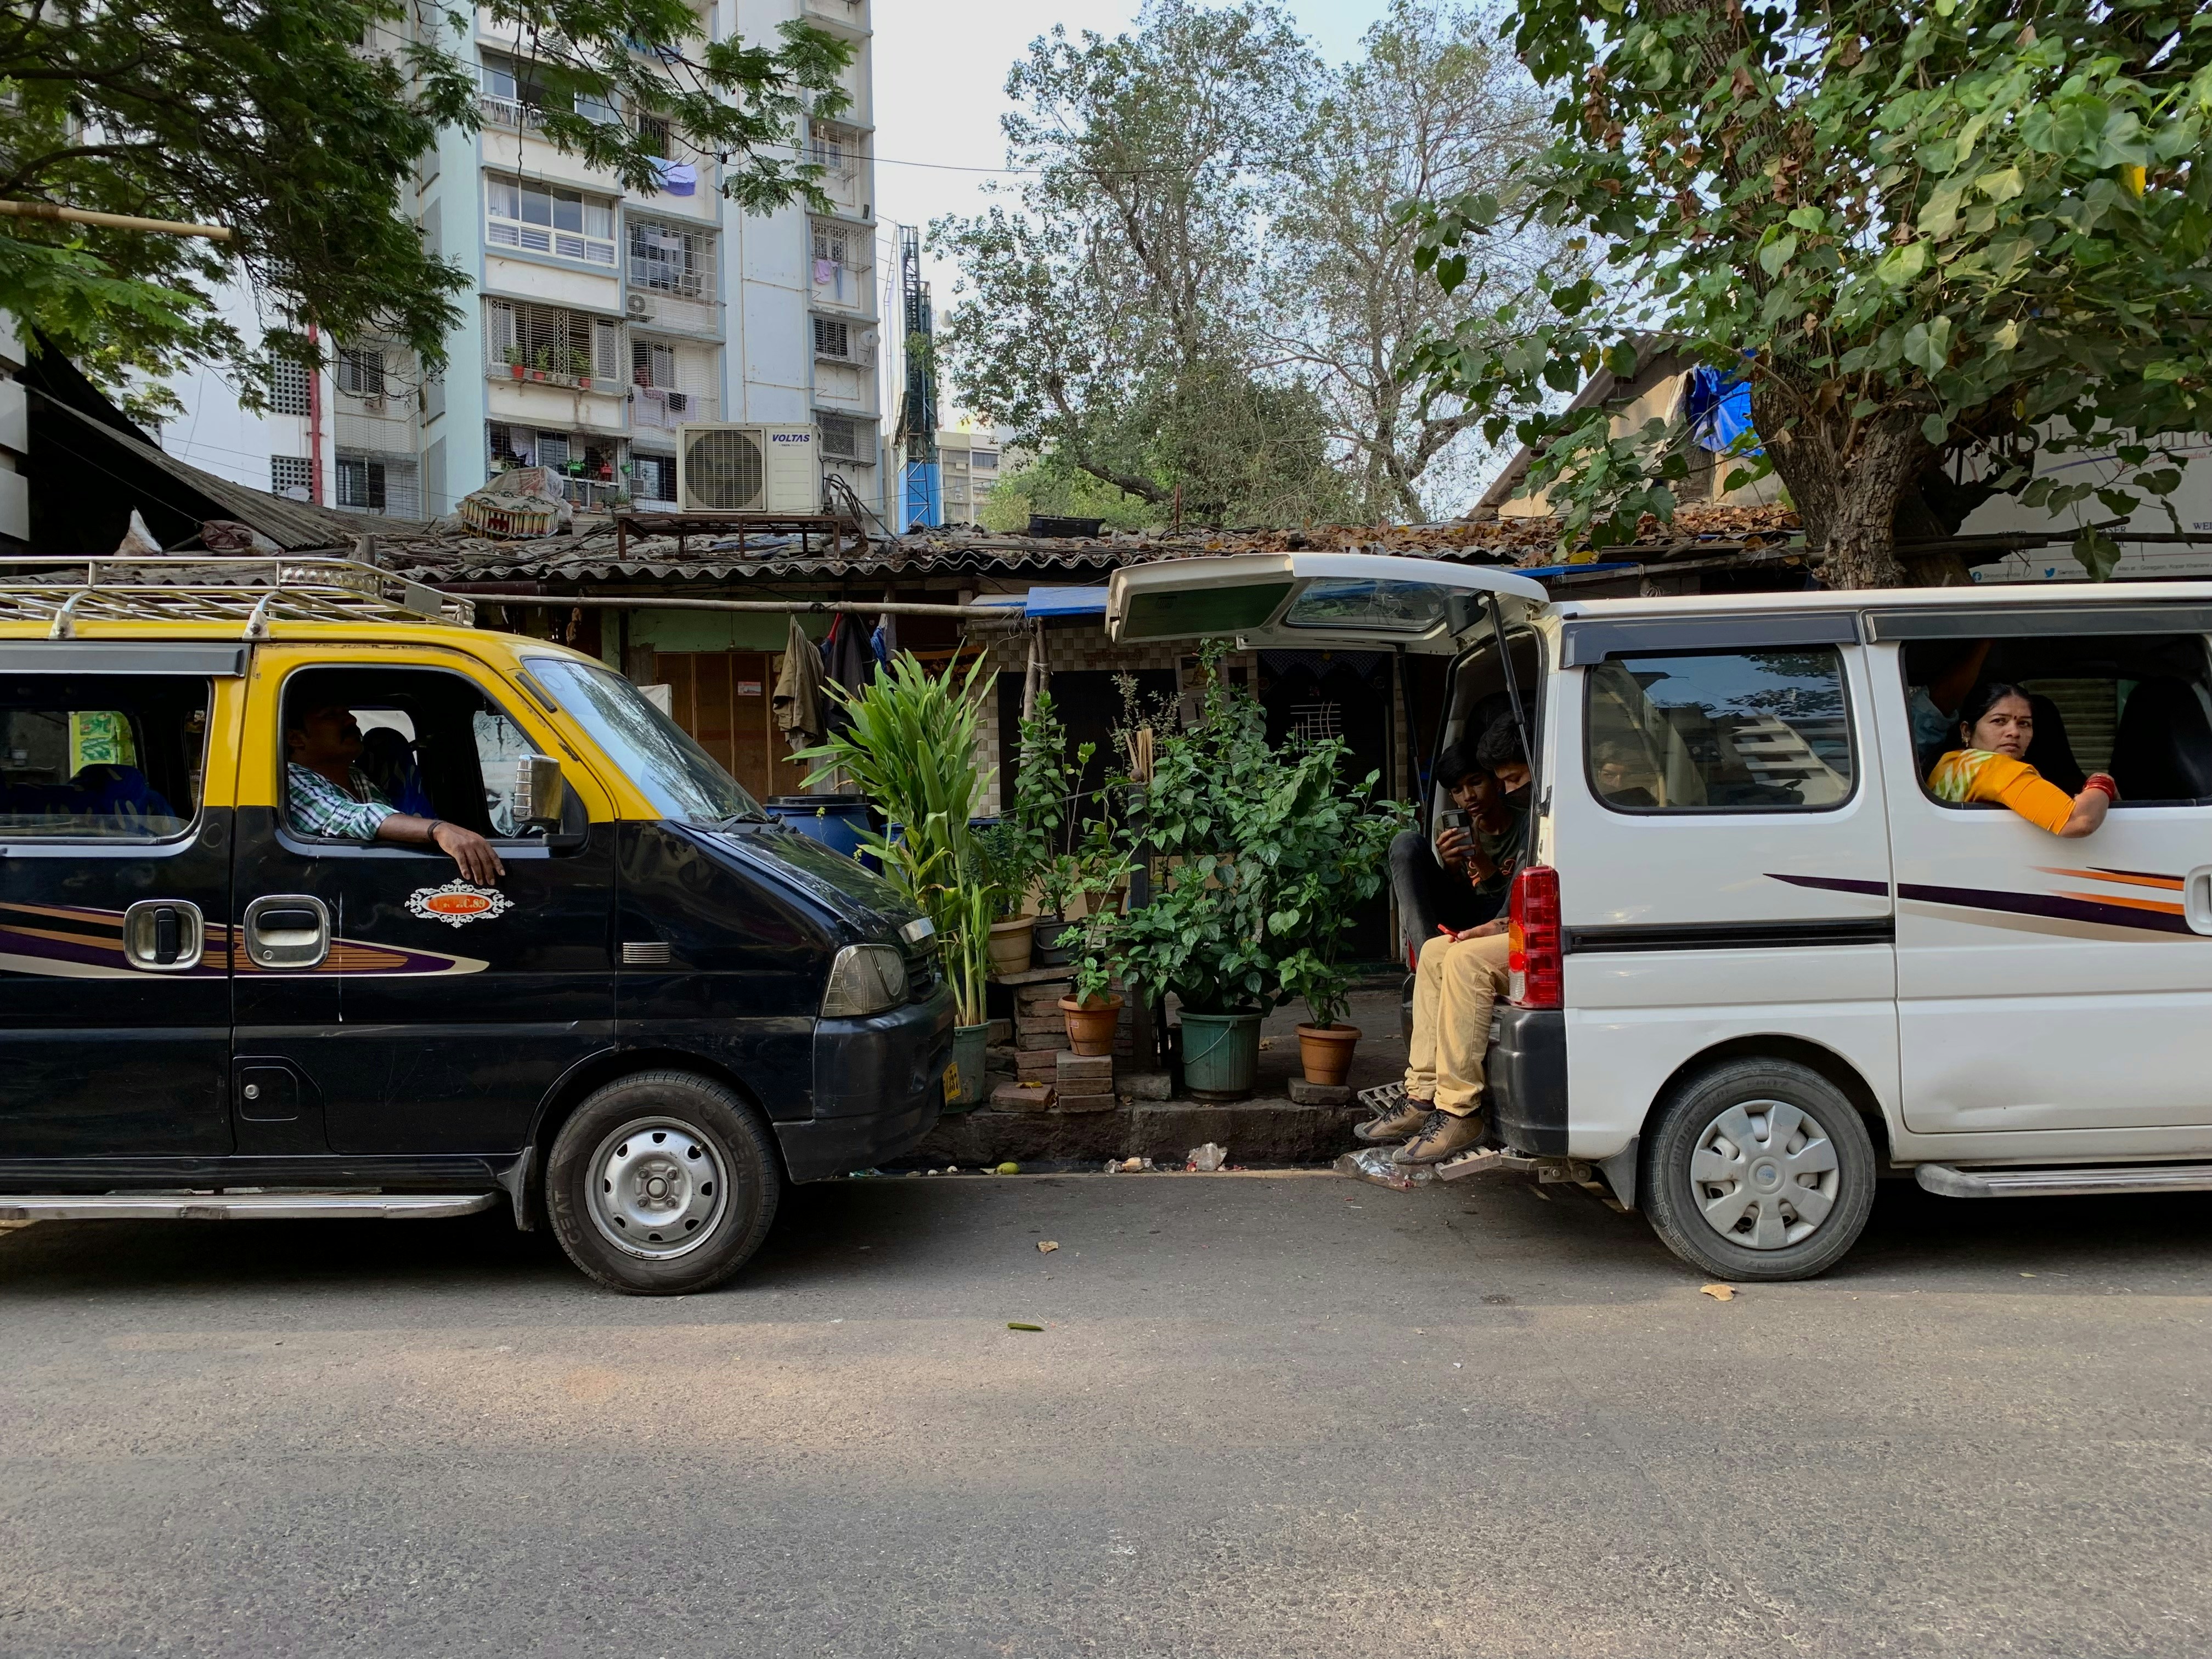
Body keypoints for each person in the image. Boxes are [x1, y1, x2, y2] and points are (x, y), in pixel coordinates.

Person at [1361, 716, 1533, 1166]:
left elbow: (1514, 907)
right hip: (1472, 919)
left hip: (1509, 922)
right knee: (1438, 949)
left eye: (1480, 783)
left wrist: (1490, 915)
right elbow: (1466, 899)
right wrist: (1453, 870)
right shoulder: (1456, 826)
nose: (1469, 797)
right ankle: (1421, 1098)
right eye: (1458, 790)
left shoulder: (1531, 818)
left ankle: (1458, 1111)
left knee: (1461, 960)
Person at [285, 701, 506, 884]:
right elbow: (349, 816)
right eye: (331, 715)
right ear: (296, 739)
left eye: (347, 712)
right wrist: (439, 830)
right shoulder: (290, 779)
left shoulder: (356, 776)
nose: (351, 720)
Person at [1928, 682, 2116, 837]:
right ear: (1966, 731)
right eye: (1999, 721)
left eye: (2024, 724)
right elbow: (2078, 821)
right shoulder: (1996, 768)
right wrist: (2102, 781)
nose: (2014, 732)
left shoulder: (1949, 763)